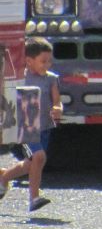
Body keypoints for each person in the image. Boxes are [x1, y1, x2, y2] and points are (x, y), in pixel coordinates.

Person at [0, 38, 62, 212]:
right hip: (26, 127)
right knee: (39, 157)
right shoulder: (21, 78)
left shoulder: (51, 79)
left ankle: (4, 177)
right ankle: (34, 198)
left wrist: (57, 109)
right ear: (29, 61)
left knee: (30, 163)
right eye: (43, 61)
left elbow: (57, 101)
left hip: (45, 127)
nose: (47, 64)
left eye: (50, 60)